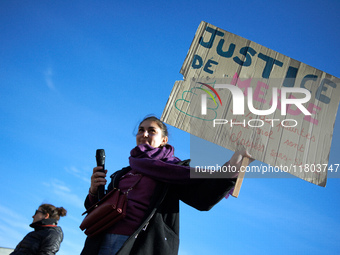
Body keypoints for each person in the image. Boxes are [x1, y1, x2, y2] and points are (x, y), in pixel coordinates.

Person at [81, 116, 253, 255]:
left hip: (142, 244)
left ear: (164, 140)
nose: (145, 134)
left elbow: (203, 199)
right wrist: (93, 190)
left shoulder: (176, 170)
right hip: (101, 241)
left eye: (151, 131)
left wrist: (233, 166)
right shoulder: (122, 173)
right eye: (141, 130)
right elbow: (97, 206)